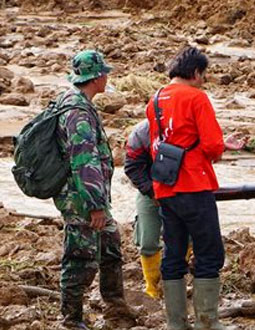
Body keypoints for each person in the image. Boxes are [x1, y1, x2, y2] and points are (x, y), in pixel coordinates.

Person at [146, 46, 232, 330]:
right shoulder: (197, 98)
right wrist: (219, 149)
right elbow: (212, 145)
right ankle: (208, 322)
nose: (203, 80)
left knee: (174, 253)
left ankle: (176, 324)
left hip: (165, 186)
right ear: (196, 73)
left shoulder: (155, 99)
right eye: (203, 75)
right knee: (210, 253)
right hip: (194, 183)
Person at [54, 50, 136, 329]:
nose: (107, 77)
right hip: (81, 198)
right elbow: (83, 160)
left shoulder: (76, 102)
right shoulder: (77, 112)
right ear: (96, 77)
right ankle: (71, 319)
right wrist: (96, 205)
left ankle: (116, 308)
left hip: (85, 195)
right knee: (80, 257)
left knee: (110, 244)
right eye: (105, 73)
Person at [124, 120, 246, 300]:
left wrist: (221, 146)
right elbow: (132, 166)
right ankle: (152, 288)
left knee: (186, 238)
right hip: (151, 191)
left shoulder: (189, 125)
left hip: (183, 188)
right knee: (148, 240)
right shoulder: (142, 132)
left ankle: (176, 287)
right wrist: (151, 191)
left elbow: (202, 155)